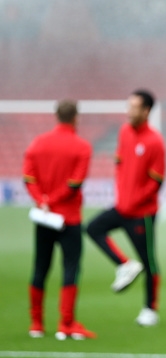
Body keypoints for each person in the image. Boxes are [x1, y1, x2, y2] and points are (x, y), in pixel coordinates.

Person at [86, 90, 165, 327]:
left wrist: (134, 201)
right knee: (92, 228)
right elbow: (120, 164)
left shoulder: (155, 141)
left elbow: (156, 182)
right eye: (128, 106)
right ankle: (124, 264)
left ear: (146, 111)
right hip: (122, 207)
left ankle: (150, 309)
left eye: (133, 107)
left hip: (142, 214)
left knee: (148, 260)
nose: (128, 111)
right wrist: (122, 196)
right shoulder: (124, 132)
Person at [23, 99, 96, 340]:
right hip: (68, 218)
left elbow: (28, 177)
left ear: (56, 116)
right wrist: (53, 200)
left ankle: (36, 324)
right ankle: (65, 324)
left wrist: (41, 200)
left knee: (40, 267)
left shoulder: (38, 143)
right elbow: (74, 184)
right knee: (71, 268)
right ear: (76, 118)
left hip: (44, 218)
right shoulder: (82, 147)